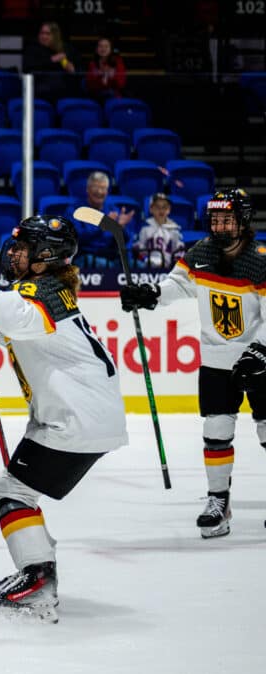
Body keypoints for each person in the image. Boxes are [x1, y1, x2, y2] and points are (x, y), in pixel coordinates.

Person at [0, 215, 128, 623]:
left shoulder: (43, 291)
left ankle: (38, 577)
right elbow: (18, 324)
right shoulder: (48, 291)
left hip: (76, 420)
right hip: (83, 417)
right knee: (17, 490)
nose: (13, 253)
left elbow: (19, 317)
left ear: (46, 257)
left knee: (13, 491)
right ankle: (38, 568)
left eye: (23, 248)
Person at [120, 189, 262, 539]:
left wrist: (261, 351)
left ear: (243, 222)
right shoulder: (201, 254)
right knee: (216, 434)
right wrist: (151, 295)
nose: (220, 225)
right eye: (215, 219)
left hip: (258, 360)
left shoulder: (259, 262)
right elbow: (178, 285)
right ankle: (218, 501)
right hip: (215, 360)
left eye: (227, 219)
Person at [77, 171, 136, 265]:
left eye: (103, 188)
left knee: (135, 264)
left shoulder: (113, 210)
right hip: (86, 255)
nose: (99, 192)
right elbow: (78, 238)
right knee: (105, 264)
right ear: (87, 189)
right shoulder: (77, 211)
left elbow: (126, 241)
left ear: (107, 191)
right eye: (95, 187)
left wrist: (121, 228)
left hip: (111, 255)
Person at [22, 21, 77, 101]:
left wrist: (72, 69)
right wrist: (51, 60)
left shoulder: (66, 49)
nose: (44, 36)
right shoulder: (32, 50)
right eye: (42, 33)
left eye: (48, 34)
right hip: (40, 93)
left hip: (64, 93)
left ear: (55, 35)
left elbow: (77, 70)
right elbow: (27, 69)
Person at [133, 192, 185, 269]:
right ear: (151, 209)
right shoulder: (145, 228)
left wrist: (173, 264)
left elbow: (180, 250)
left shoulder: (174, 229)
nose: (161, 210)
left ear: (169, 210)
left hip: (168, 268)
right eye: (157, 207)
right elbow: (138, 247)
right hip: (147, 267)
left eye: (164, 207)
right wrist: (145, 259)